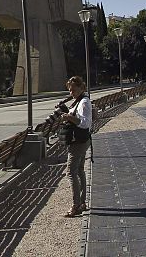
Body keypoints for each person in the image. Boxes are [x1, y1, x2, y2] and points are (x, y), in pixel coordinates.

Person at [60, 76, 92, 217]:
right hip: (81, 140)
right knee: (79, 170)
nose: (71, 93)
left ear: (81, 88)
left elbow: (85, 123)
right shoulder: (79, 100)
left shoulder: (84, 102)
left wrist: (68, 117)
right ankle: (82, 202)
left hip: (78, 142)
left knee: (71, 172)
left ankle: (76, 205)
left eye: (73, 90)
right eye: (69, 90)